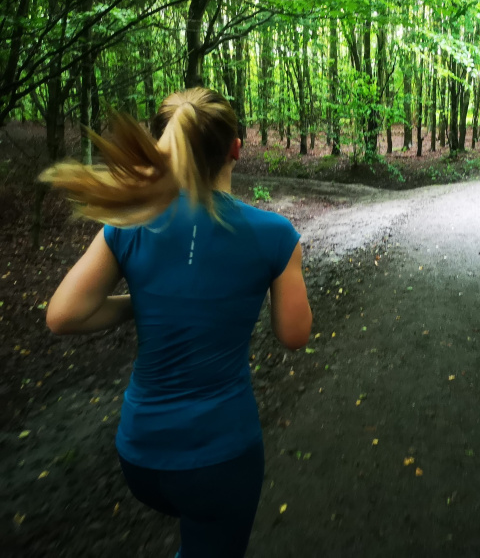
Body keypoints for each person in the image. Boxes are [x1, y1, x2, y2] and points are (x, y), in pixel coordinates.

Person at [41, 87, 312, 558]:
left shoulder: (129, 223)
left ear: (159, 144)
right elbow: (294, 335)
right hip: (221, 458)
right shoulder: (275, 235)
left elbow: (64, 315)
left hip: (139, 456)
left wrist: (143, 303)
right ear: (235, 149)